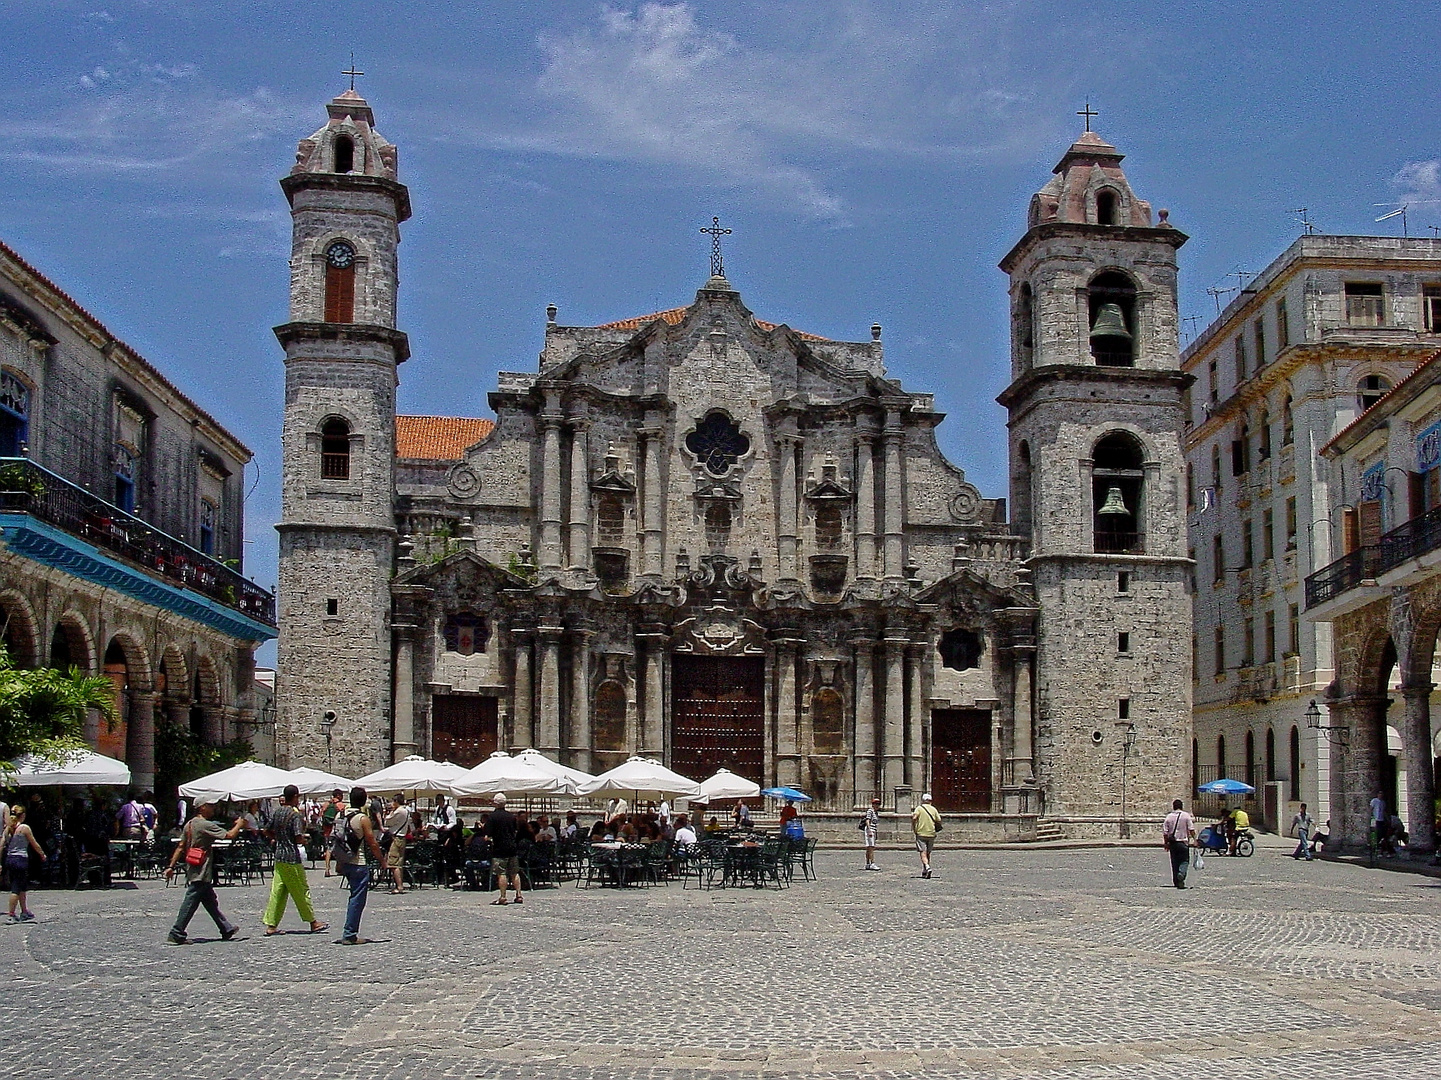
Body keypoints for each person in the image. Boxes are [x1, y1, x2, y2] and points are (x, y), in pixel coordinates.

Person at [163, 800, 245, 944]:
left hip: (192, 866)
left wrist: (171, 866)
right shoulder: (204, 824)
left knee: (209, 901)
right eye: (210, 805)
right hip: (201, 868)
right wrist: (240, 824)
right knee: (191, 901)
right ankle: (176, 932)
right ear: (202, 807)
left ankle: (225, 928)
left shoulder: (189, 824)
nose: (213, 808)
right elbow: (229, 835)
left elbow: (181, 847)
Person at [261, 785, 328, 936]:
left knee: (277, 891)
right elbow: (298, 836)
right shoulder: (294, 815)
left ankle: (271, 924)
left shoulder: (277, 812)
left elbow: (265, 830)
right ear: (296, 797)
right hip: (291, 857)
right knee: (301, 890)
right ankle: (313, 922)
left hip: (279, 856)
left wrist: (277, 839)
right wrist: (304, 841)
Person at [330, 786, 386, 945]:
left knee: (353, 896)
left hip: (344, 861)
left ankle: (349, 932)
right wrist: (382, 861)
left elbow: (337, 838)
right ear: (363, 800)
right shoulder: (362, 818)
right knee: (357, 898)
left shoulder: (340, 814)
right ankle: (349, 934)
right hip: (358, 862)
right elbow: (372, 843)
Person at [5, 805, 46, 922]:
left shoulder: (8, 828)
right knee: (16, 888)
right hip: (20, 859)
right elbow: (34, 843)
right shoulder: (24, 828)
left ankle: (24, 911)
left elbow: (2, 844)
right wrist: (42, 854)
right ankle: (11, 914)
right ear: (22, 815)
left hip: (10, 858)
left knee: (22, 886)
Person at [487, 793, 523, 905]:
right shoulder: (512, 816)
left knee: (501, 873)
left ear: (495, 803)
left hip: (499, 848)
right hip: (512, 847)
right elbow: (515, 831)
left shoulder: (492, 817)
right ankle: (519, 895)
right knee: (514, 872)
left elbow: (488, 833)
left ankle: (503, 896)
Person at [1162, 799, 1195, 889]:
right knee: (1184, 861)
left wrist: (1166, 844)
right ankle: (1181, 874)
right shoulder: (1186, 816)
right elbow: (1191, 829)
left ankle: (1176, 881)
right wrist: (1195, 840)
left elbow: (1165, 832)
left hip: (1173, 843)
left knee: (1174, 862)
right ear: (1181, 806)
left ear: (1173, 806)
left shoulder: (1168, 817)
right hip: (1183, 842)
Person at [384, 795, 411, 894]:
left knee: (393, 863)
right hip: (402, 837)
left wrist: (390, 811)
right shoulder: (406, 811)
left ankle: (399, 886)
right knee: (399, 863)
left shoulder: (399, 811)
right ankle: (399, 885)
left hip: (396, 838)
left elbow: (387, 821)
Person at [911, 793, 942, 879]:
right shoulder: (933, 809)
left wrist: (914, 827)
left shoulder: (919, 808)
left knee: (922, 852)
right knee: (928, 852)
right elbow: (938, 820)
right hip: (931, 833)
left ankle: (927, 867)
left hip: (921, 832)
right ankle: (925, 870)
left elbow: (914, 818)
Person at [461, 820, 493, 891]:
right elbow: (466, 843)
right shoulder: (475, 837)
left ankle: (482, 883)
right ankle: (474, 883)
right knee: (468, 864)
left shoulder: (487, 837)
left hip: (483, 862)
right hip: (476, 861)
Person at [321, 788, 345, 877]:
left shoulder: (326, 804)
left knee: (329, 849)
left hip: (327, 830)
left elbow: (321, 815)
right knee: (340, 848)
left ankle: (327, 869)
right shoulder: (340, 805)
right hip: (337, 830)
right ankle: (339, 868)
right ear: (338, 796)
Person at [861, 797, 881, 871]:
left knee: (869, 847)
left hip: (873, 829)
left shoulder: (876, 812)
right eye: (875, 804)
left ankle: (867, 863)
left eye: (878, 804)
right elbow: (867, 820)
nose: (877, 805)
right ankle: (872, 863)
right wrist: (869, 830)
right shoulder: (870, 811)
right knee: (871, 847)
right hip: (870, 829)